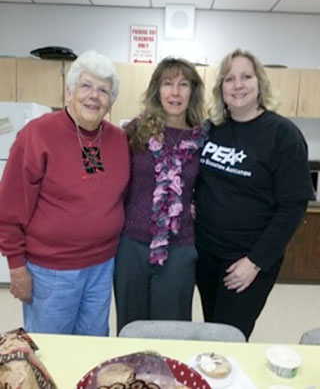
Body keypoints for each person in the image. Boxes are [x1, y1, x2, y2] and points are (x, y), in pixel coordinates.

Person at [0, 50, 130, 336]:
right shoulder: (37, 135)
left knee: (93, 344)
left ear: (110, 102)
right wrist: (16, 266)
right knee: (52, 349)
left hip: (102, 265)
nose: (93, 96)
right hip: (51, 271)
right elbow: (9, 207)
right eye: (86, 86)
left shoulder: (119, 140)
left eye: (103, 90)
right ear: (69, 92)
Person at [194, 48, 315, 340]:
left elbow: (292, 207)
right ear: (220, 88)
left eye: (246, 76)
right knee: (213, 328)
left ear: (259, 83)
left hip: (248, 260)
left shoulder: (282, 135)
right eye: (229, 78)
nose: (238, 85)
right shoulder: (211, 129)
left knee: (229, 336)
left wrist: (255, 262)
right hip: (206, 254)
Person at [114, 57, 208, 333]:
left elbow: (215, 185)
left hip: (179, 246)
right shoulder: (136, 131)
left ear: (193, 91)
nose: (175, 92)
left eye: (183, 84)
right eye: (168, 84)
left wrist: (197, 205)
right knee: (131, 326)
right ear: (157, 90)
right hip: (131, 245)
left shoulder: (203, 138)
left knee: (172, 329)